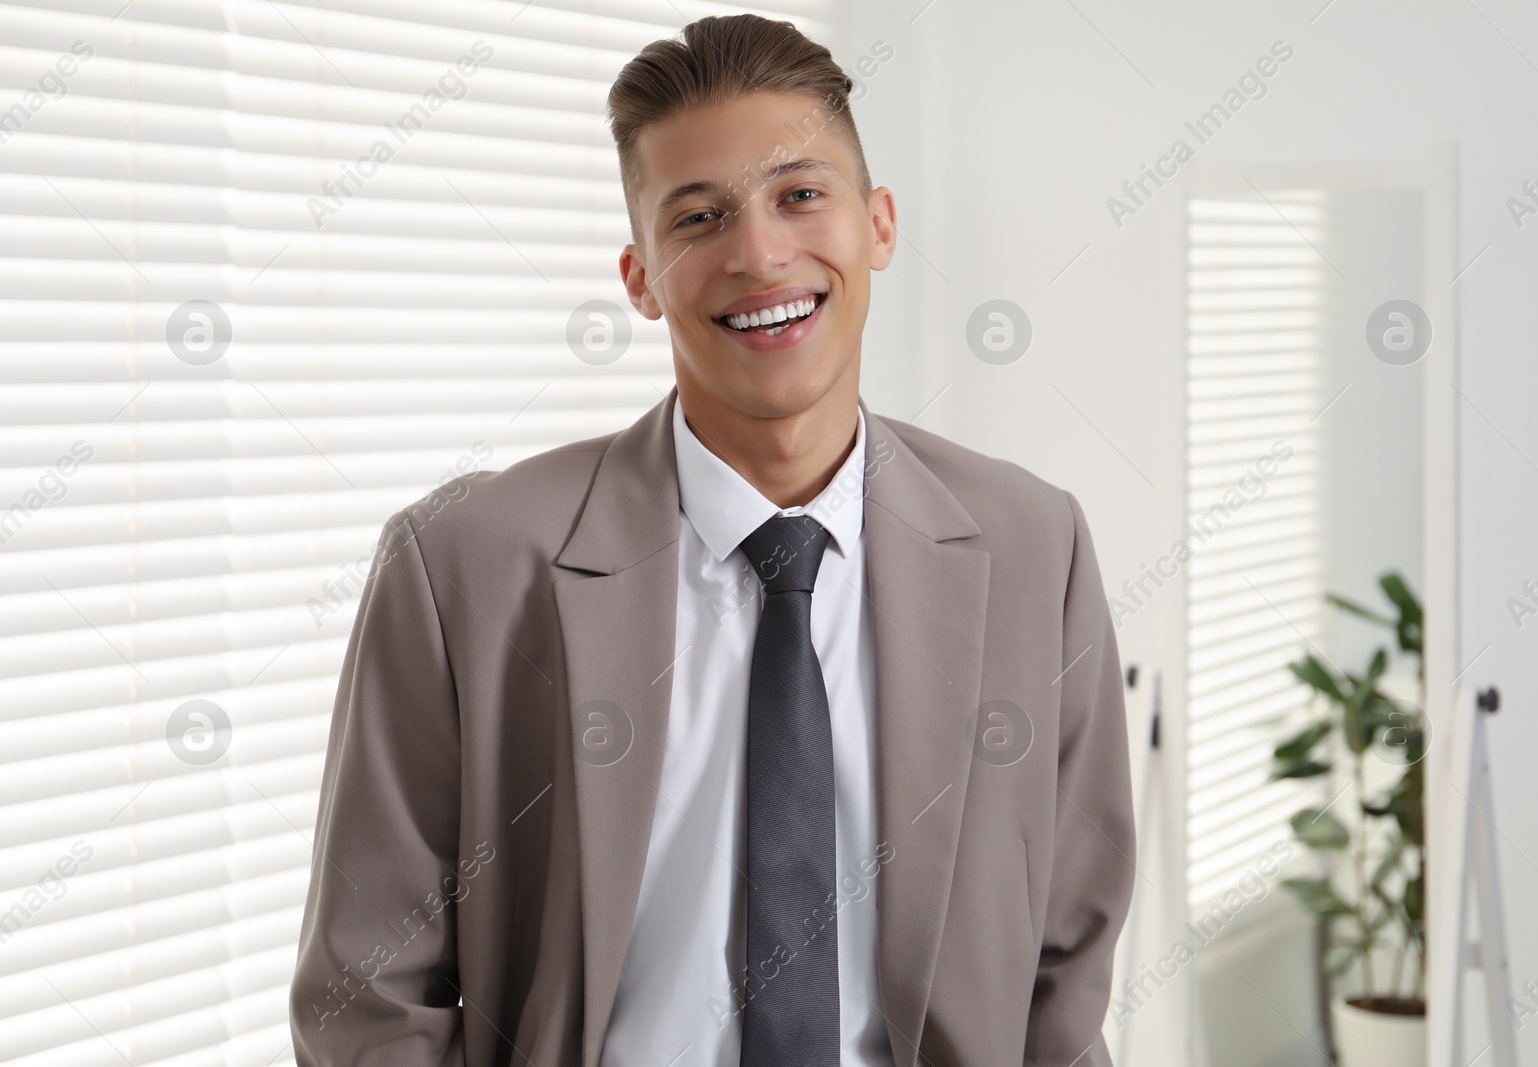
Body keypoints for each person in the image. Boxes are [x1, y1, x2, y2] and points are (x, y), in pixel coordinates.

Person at [289, 13, 1135, 1067]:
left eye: (799, 195)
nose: (758, 252)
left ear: (877, 223)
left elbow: (1067, 963)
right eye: (697, 218)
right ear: (640, 275)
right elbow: (368, 993)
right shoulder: (461, 563)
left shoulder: (1031, 545)